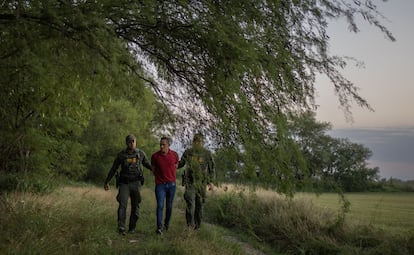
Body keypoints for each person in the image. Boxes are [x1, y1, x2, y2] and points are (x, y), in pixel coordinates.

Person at [104, 134, 152, 235]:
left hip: (136, 183)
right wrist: (107, 181)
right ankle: (121, 226)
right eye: (130, 142)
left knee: (136, 205)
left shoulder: (141, 154)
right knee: (122, 204)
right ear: (126, 143)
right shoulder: (121, 155)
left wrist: (159, 171)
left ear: (136, 142)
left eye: (133, 141)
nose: (132, 143)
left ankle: (132, 227)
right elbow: (114, 168)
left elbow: (148, 165)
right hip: (124, 183)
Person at [178, 133, 215, 229]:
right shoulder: (188, 152)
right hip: (190, 182)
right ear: (193, 142)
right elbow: (180, 163)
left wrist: (211, 182)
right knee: (190, 202)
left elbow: (212, 168)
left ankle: (197, 226)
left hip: (201, 183)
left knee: (199, 205)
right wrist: (171, 164)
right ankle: (190, 224)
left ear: (202, 142)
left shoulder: (207, 153)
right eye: (195, 141)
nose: (197, 143)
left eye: (199, 141)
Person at [151, 136, 179, 235]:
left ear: (169, 145)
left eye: (164, 145)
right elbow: (153, 169)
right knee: (160, 205)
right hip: (160, 185)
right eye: (160, 145)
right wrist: (159, 178)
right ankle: (159, 227)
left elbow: (176, 166)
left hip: (171, 185)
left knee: (169, 206)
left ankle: (166, 225)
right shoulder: (155, 156)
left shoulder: (175, 155)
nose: (162, 146)